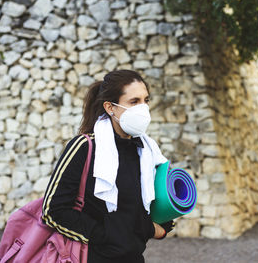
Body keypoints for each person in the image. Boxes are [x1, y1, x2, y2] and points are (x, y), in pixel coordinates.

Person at [41, 69, 175, 263]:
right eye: (134, 101)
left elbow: (154, 207)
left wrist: (156, 228)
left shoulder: (147, 152)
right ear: (110, 107)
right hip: (90, 257)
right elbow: (53, 210)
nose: (143, 108)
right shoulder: (84, 147)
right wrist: (104, 236)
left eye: (146, 100)